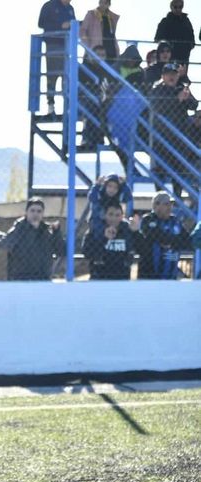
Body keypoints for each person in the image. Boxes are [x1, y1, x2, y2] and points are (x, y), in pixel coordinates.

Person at [147, 62, 198, 198]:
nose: (172, 77)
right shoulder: (157, 89)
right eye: (169, 74)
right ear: (163, 76)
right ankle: (159, 199)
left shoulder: (181, 88)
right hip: (162, 138)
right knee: (160, 170)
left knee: (179, 170)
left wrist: (187, 96)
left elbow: (194, 105)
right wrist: (177, 100)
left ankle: (177, 196)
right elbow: (158, 107)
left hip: (180, 138)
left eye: (174, 74)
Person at [1, 197, 66, 281]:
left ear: (43, 214)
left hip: (43, 277)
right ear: (26, 212)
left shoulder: (48, 230)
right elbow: (5, 243)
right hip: (20, 277)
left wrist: (57, 233)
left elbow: (62, 251)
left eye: (39, 211)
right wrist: (30, 229)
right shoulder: (19, 228)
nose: (35, 214)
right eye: (32, 211)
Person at [135, 191, 192, 279]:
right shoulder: (148, 219)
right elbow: (155, 237)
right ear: (155, 206)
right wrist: (173, 241)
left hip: (171, 274)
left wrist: (169, 242)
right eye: (166, 204)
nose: (169, 207)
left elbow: (187, 241)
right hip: (150, 273)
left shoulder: (175, 221)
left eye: (170, 204)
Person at [38, 0, 76, 116]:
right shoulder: (49, 5)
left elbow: (73, 24)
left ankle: (68, 107)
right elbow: (41, 23)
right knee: (52, 77)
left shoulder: (70, 8)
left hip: (67, 47)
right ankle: (50, 106)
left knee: (67, 78)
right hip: (53, 46)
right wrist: (60, 26)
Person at [82, 203, 139, 280]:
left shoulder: (127, 230)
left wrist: (136, 233)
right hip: (99, 276)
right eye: (110, 214)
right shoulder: (96, 230)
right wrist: (104, 238)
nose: (113, 218)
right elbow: (87, 252)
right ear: (105, 215)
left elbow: (140, 249)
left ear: (122, 216)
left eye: (117, 215)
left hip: (122, 277)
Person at [78, 45, 109, 151]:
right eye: (98, 55)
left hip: (100, 99)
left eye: (103, 55)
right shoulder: (83, 68)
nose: (100, 57)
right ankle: (87, 138)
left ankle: (99, 137)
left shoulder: (106, 69)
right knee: (92, 106)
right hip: (84, 99)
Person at [154, 0, 195, 66]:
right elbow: (157, 38)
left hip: (183, 57)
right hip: (169, 57)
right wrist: (167, 48)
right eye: (175, 7)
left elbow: (192, 38)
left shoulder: (186, 21)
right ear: (171, 7)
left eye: (180, 7)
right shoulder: (165, 21)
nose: (178, 9)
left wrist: (188, 46)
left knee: (182, 75)